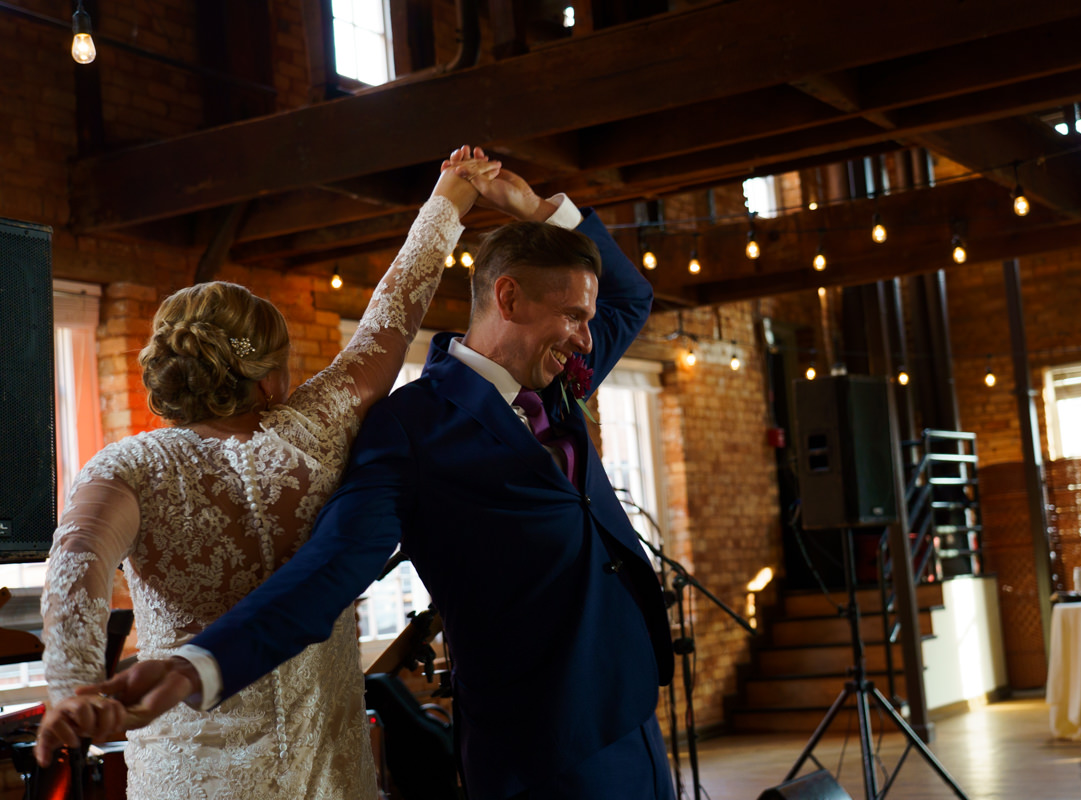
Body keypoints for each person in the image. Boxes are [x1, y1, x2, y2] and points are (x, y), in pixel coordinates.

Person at [44, 160, 677, 800]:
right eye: (572, 316)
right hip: (538, 741)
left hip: (631, 711)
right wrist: (193, 669)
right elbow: (329, 567)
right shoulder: (399, 427)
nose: (587, 339)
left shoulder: (560, 365)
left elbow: (633, 297)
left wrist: (538, 209)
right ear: (508, 298)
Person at [34, 148, 498, 799]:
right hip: (326, 776)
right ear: (271, 374)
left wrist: (73, 688)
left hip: (192, 779)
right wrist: (453, 192)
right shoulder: (322, 427)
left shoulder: (130, 469)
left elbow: (77, 559)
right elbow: (394, 307)